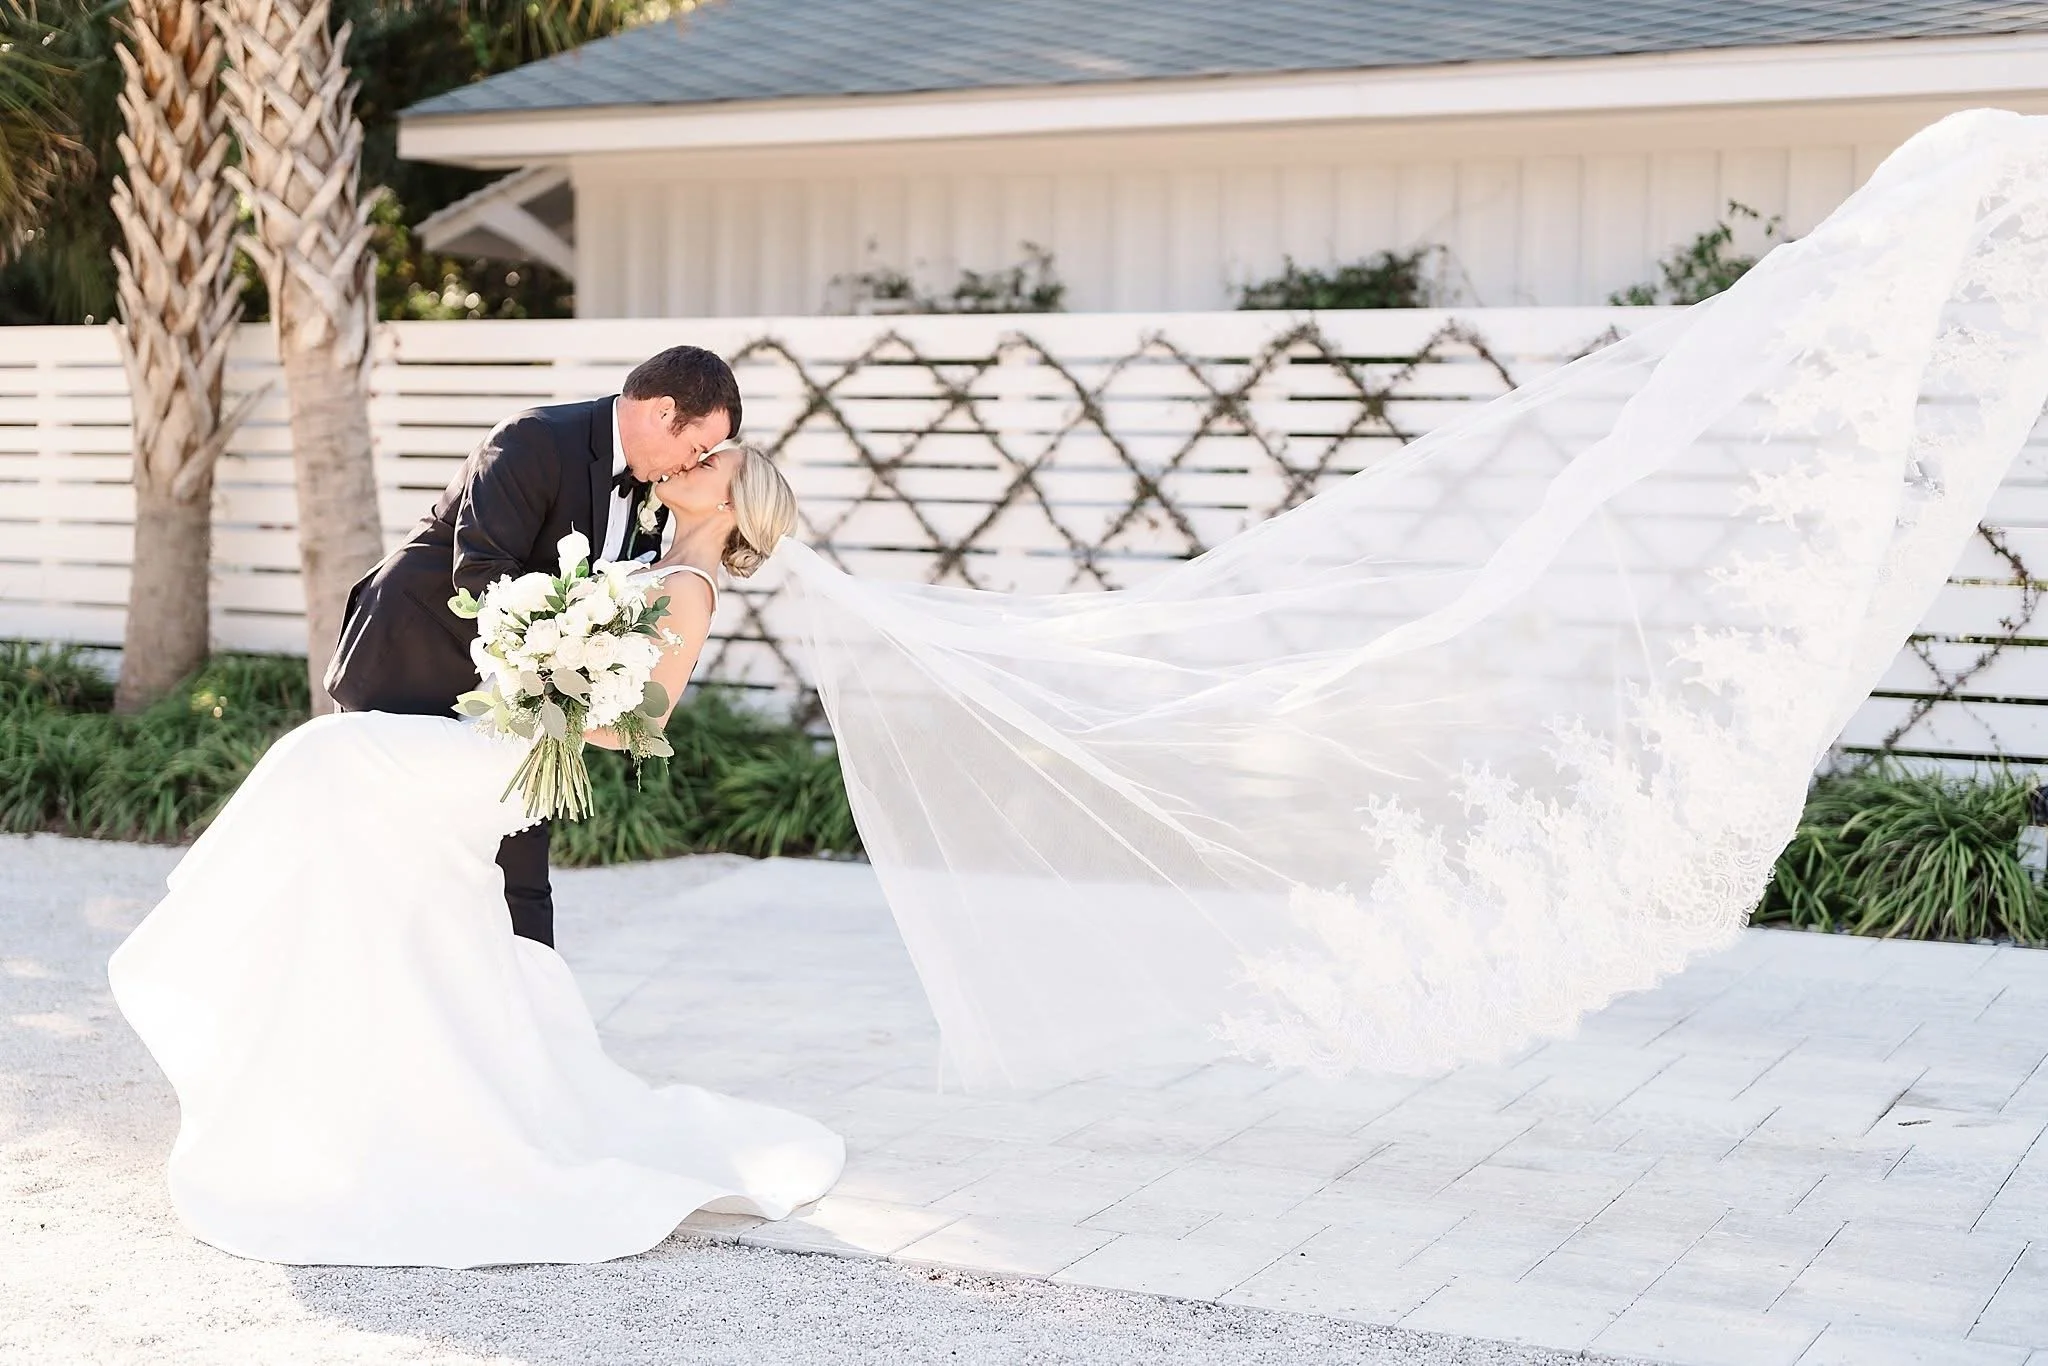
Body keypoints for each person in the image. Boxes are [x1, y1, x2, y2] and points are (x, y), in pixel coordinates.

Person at [109, 446, 839, 1269]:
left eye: (712, 462)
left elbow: (643, 727)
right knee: (371, 848)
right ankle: (367, 1065)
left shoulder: (688, 589)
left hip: (513, 756)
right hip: (500, 736)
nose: (690, 462)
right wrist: (529, 662)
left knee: (330, 756)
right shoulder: (648, 558)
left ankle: (215, 926)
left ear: (732, 504)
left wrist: (547, 688)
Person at [324, 345, 740, 949]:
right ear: (662, 411)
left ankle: (528, 1010)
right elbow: (482, 574)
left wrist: (568, 691)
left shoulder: (654, 496)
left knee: (518, 869)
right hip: (415, 664)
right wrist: (556, 666)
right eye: (697, 448)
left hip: (521, 708)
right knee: (390, 856)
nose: (692, 464)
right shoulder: (534, 441)